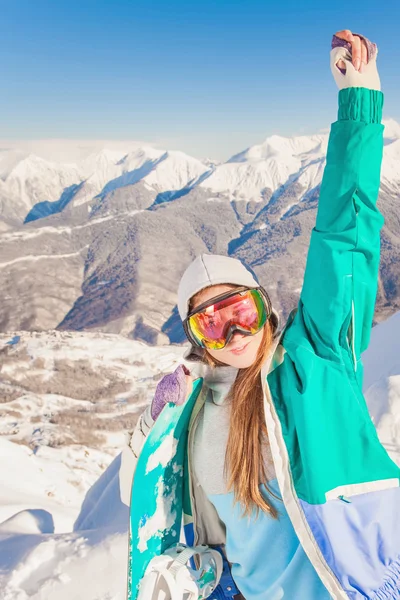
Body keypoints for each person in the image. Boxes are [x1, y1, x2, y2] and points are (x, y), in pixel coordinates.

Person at [120, 29, 400, 600]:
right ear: (195, 337)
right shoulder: (192, 413)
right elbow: (143, 500)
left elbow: (344, 238)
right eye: (211, 324)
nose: (234, 333)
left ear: (265, 309)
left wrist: (360, 106)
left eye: (240, 310)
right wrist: (152, 431)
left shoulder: (314, 359)